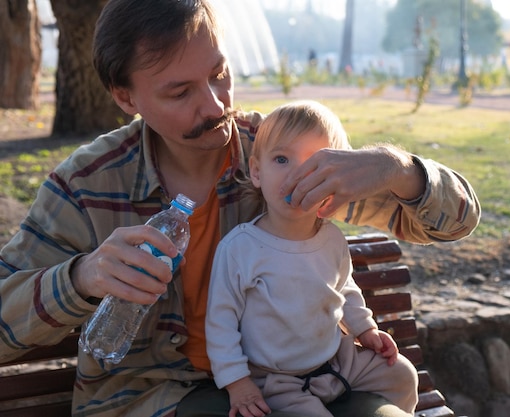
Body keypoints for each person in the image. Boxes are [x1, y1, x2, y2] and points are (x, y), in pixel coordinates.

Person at [0, 1, 480, 416]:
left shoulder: (281, 153)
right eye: (180, 91)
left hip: (307, 379)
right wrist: (82, 277)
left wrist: (398, 169)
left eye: (219, 75)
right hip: (156, 396)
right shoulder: (87, 184)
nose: (214, 106)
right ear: (126, 97)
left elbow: (457, 222)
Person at [205, 101, 418, 417]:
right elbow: (220, 324)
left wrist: (365, 330)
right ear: (257, 172)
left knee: (402, 375)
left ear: (335, 182)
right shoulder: (240, 249)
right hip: (276, 378)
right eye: (282, 159)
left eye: (314, 164)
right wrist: (238, 383)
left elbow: (344, 288)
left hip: (336, 361)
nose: (298, 174)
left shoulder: (330, 238)